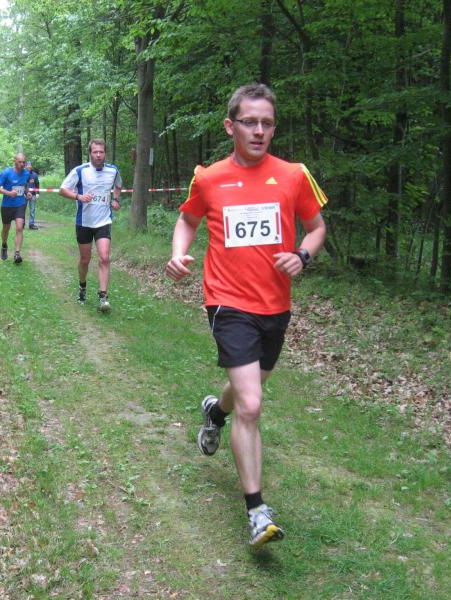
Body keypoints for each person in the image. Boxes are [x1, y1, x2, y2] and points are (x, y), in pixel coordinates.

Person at [165, 83, 328, 548]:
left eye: (267, 123)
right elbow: (188, 218)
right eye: (250, 122)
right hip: (227, 301)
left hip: (275, 305)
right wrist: (178, 253)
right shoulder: (209, 177)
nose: (259, 131)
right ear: (230, 126)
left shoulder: (294, 175)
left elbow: (316, 227)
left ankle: (215, 412)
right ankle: (257, 511)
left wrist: (302, 255)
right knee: (252, 404)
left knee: (245, 392)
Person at [59, 139, 122, 312]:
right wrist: (78, 197)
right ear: (90, 153)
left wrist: (116, 199)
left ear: (105, 153)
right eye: (95, 152)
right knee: (85, 260)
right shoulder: (80, 171)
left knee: (104, 257)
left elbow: (118, 184)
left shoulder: (113, 170)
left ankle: (103, 296)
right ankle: (82, 285)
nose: (98, 155)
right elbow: (62, 189)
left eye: (101, 152)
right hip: (84, 222)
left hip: (104, 221)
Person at [0, 153, 33, 264]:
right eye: (20, 162)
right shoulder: (6, 173)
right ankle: (4, 245)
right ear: (15, 161)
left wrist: (27, 192)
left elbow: (25, 185)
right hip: (7, 205)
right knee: (6, 228)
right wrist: (9, 193)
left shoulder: (26, 173)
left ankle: (17, 254)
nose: (22, 164)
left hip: (20, 204)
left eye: (23, 162)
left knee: (19, 228)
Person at [26, 161, 40, 230]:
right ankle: (22, 223)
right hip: (24, 194)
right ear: (26, 166)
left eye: (30, 165)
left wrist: (38, 193)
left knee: (32, 210)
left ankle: (31, 224)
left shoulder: (35, 175)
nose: (29, 166)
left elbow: (37, 184)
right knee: (22, 209)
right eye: (27, 165)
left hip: (33, 194)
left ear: (31, 166)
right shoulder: (23, 174)